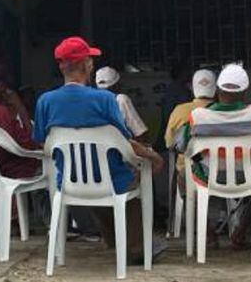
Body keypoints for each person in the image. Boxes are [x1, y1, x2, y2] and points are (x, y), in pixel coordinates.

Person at [32, 36, 166, 265]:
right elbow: (124, 141)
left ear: (62, 66)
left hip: (69, 180)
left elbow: (41, 142)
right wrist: (153, 156)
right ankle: (137, 248)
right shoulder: (105, 99)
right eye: (90, 59)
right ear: (86, 65)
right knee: (132, 177)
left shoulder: (45, 101)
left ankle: (113, 238)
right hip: (111, 180)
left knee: (93, 181)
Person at [175, 63, 251, 250]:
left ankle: (208, 234)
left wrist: (200, 161)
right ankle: (241, 231)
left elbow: (182, 146)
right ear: (245, 92)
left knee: (184, 177)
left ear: (217, 90)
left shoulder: (198, 117)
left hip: (209, 176)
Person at [164, 69, 217, 176]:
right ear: (216, 89)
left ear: (192, 88)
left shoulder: (179, 111)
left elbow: (169, 143)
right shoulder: (224, 112)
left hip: (188, 173)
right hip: (221, 171)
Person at [96, 66, 149, 142]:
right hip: (118, 146)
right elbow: (139, 132)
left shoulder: (92, 101)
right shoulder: (120, 99)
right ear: (116, 85)